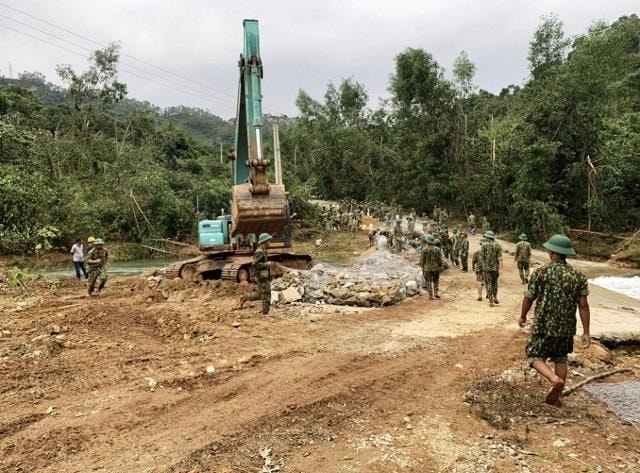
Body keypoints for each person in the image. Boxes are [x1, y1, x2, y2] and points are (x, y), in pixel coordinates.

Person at [518, 234, 591, 407]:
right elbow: (584, 306)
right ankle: (557, 398)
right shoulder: (578, 276)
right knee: (560, 358)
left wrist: (522, 316)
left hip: (543, 324)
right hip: (566, 327)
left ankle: (553, 379)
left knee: (534, 354)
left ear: (551, 252)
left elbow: (529, 298)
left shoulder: (541, 272)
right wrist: (586, 332)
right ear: (566, 254)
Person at [240, 233, 273, 315]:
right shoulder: (259, 252)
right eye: (268, 240)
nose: (270, 242)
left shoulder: (263, 251)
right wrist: (266, 264)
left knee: (260, 294)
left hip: (263, 276)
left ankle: (244, 298)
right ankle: (265, 313)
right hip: (260, 276)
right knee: (266, 293)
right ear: (264, 241)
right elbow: (254, 264)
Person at [480, 230, 503, 307]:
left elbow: (481, 258)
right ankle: (495, 297)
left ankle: (490, 301)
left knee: (488, 283)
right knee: (495, 283)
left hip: (486, 268)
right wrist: (501, 268)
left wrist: (482, 267)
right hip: (495, 268)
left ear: (487, 237)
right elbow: (500, 258)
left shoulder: (483, 245)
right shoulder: (498, 245)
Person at [420, 234, 442, 300]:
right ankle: (436, 292)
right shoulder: (437, 249)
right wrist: (440, 266)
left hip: (427, 268)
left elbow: (422, 260)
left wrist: (422, 268)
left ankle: (430, 295)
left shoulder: (424, 249)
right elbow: (440, 260)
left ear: (427, 241)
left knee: (428, 281)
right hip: (436, 268)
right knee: (436, 281)